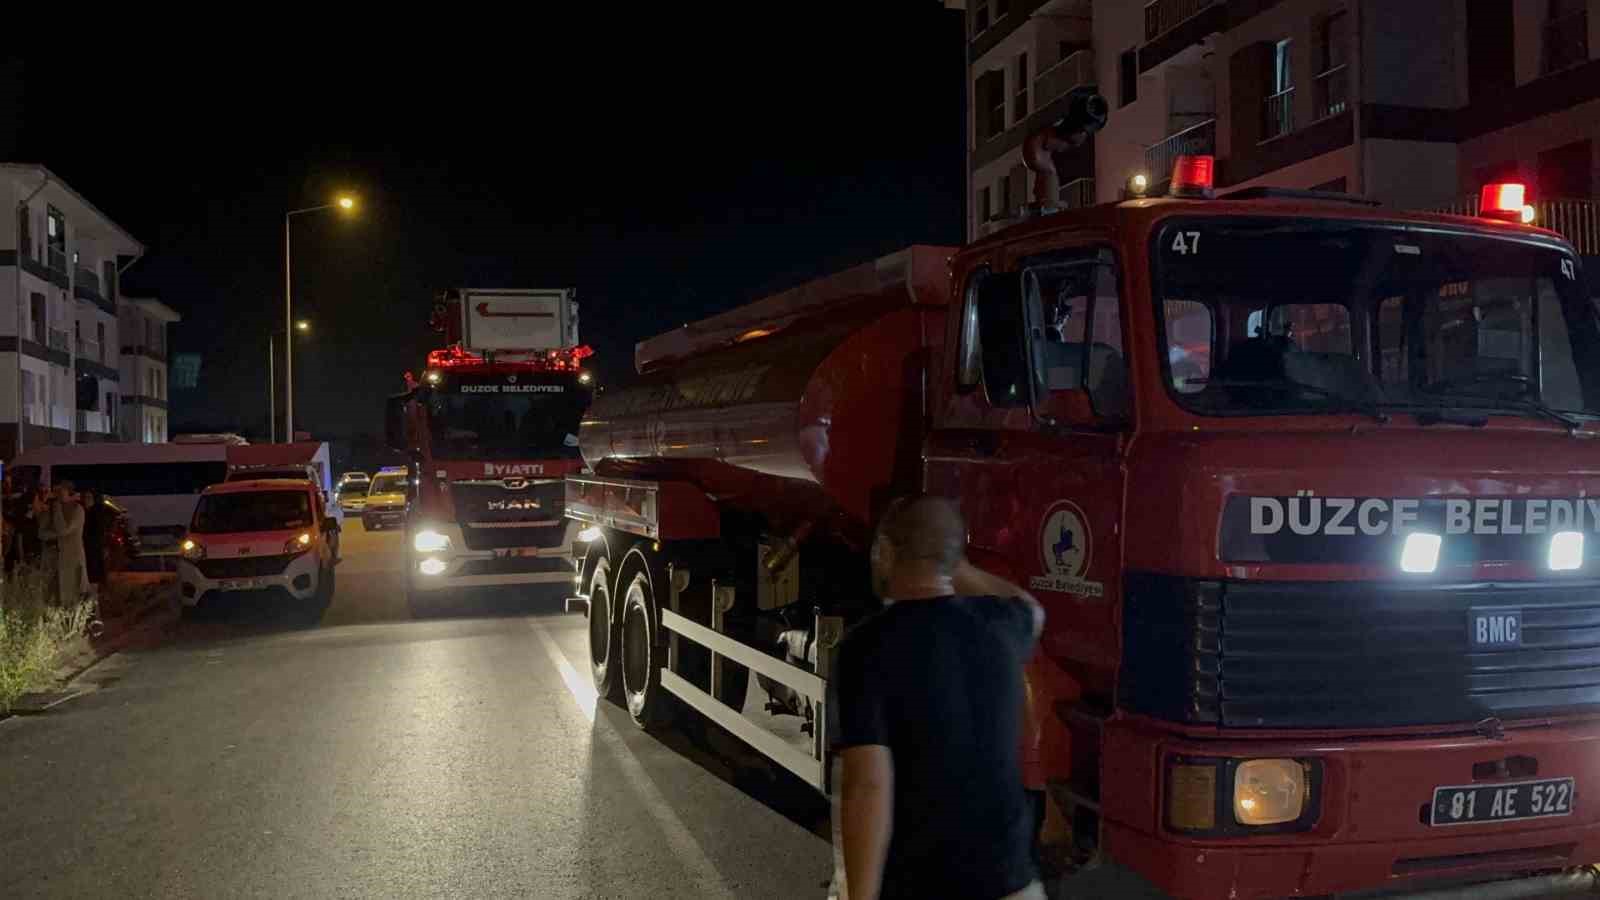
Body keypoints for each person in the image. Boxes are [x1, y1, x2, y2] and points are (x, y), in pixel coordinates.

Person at [836, 495, 1045, 900]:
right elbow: (1033, 609)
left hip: (927, 885)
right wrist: (954, 565)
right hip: (1015, 885)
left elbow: (868, 786)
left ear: (884, 552)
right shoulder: (1003, 627)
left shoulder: (867, 647)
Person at [38, 480, 90, 605]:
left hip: (71, 557)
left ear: (69, 491)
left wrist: (57, 510)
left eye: (61, 490)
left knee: (72, 592)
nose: (58, 493)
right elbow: (41, 533)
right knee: (52, 594)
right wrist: (55, 535)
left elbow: (64, 530)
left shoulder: (77, 509)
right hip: (52, 557)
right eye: (56, 491)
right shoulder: (49, 510)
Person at [81, 488, 111, 587]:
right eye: (85, 497)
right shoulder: (82, 512)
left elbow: (100, 532)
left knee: (94, 576)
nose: (86, 500)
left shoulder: (97, 513)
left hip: (94, 549)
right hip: (85, 549)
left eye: (89, 497)